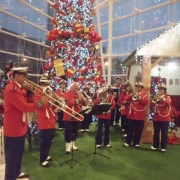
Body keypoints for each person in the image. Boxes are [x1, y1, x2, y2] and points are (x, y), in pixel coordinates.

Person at [3, 67, 47, 180]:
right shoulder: (11, 89)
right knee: (12, 156)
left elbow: (25, 101)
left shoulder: (19, 88)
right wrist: (40, 104)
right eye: (23, 75)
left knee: (18, 155)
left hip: (20, 127)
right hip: (13, 129)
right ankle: (10, 177)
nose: (25, 78)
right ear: (16, 75)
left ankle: (16, 173)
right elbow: (24, 107)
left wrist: (29, 93)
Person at [34, 75, 56, 167]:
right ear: (41, 84)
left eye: (48, 85)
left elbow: (53, 107)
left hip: (51, 120)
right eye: (45, 85)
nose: (47, 87)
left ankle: (46, 155)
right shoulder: (37, 94)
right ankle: (42, 160)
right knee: (44, 141)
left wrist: (56, 101)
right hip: (43, 121)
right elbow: (40, 106)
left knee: (49, 140)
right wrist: (48, 99)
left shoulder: (48, 94)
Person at [123, 82, 148, 148]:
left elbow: (146, 102)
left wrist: (139, 97)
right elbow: (125, 99)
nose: (137, 88)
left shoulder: (144, 95)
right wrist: (131, 95)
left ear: (142, 88)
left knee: (139, 130)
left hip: (140, 116)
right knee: (130, 130)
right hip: (132, 115)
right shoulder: (132, 94)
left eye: (139, 87)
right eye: (136, 87)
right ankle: (128, 142)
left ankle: (136, 143)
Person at [63, 82, 84, 153]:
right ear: (71, 87)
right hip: (69, 116)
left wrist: (83, 100)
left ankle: (72, 144)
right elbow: (69, 103)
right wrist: (78, 99)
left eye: (78, 88)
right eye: (75, 88)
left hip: (77, 115)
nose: (77, 90)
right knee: (68, 131)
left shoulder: (78, 94)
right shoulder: (66, 94)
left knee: (75, 131)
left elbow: (80, 104)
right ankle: (67, 146)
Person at [151, 84, 171, 153]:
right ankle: (155, 146)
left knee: (164, 133)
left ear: (164, 91)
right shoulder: (156, 96)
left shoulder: (167, 97)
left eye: (162, 90)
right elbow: (152, 104)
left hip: (165, 118)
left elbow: (168, 104)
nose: (160, 91)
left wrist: (162, 98)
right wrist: (155, 100)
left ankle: (163, 147)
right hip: (156, 117)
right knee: (156, 132)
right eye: (159, 89)